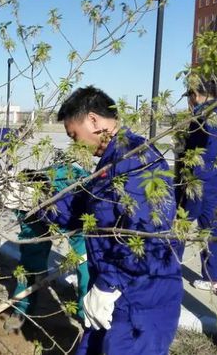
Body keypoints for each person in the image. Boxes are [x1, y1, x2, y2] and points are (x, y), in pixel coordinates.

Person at [54, 86, 183, 355]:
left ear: (93, 120)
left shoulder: (136, 160)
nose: (75, 144)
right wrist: (37, 202)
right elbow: (85, 210)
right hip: (118, 294)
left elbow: (146, 232)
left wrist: (107, 285)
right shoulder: (111, 162)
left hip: (139, 299)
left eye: (74, 135)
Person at [0, 128, 90, 329]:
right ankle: (22, 307)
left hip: (77, 216)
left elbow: (82, 223)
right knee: (30, 259)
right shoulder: (19, 197)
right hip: (36, 206)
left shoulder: (71, 188)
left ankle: (87, 318)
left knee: (86, 265)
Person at [176, 79, 217, 296]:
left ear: (195, 95)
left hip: (197, 183)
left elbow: (195, 154)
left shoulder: (202, 117)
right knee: (211, 229)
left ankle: (168, 269)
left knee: (179, 223)